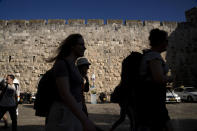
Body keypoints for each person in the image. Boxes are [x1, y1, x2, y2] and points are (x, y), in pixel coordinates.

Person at [45, 34, 96, 131]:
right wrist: (85, 120)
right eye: (81, 44)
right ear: (72, 46)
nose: (84, 47)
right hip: (64, 114)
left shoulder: (73, 66)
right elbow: (65, 94)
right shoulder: (62, 64)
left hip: (72, 113)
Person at [135, 28, 173, 131]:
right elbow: (158, 78)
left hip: (151, 102)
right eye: (166, 40)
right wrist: (170, 78)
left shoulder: (150, 55)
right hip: (153, 102)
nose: (168, 43)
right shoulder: (153, 56)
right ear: (160, 41)